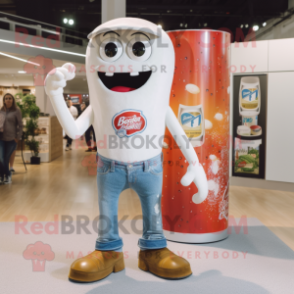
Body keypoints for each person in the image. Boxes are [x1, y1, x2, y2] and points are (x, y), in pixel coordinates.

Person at [0, 93, 23, 184]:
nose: (8, 100)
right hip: (1, 138)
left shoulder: (16, 111)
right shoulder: (1, 110)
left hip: (11, 139)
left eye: (10, 98)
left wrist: (17, 137)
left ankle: (7, 176)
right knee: (1, 159)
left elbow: (20, 125)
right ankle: (3, 176)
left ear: (12, 100)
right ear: (4, 100)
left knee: (6, 158)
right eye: (6, 98)